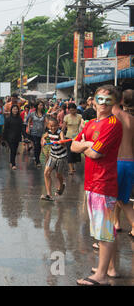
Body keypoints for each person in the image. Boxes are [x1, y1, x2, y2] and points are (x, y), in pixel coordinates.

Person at [72, 85, 123, 286]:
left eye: (107, 100)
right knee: (102, 230)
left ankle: (101, 274)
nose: (102, 104)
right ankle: (109, 268)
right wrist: (86, 145)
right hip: (92, 182)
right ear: (93, 100)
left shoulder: (112, 124)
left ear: (115, 103)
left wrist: (85, 145)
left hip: (104, 183)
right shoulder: (91, 123)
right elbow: (75, 146)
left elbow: (95, 153)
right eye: (99, 99)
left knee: (104, 232)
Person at [112, 89, 134, 238]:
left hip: (116, 161)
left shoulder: (112, 117)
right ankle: (115, 224)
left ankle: (108, 234)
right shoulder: (131, 118)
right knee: (122, 197)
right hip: (130, 161)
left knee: (114, 198)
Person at [40, 117, 67, 201]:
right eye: (51, 126)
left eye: (55, 126)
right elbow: (45, 138)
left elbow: (64, 143)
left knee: (58, 175)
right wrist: (44, 141)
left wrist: (61, 142)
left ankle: (62, 186)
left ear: (58, 125)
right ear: (48, 126)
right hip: (52, 155)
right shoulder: (48, 132)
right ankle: (49, 195)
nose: (53, 128)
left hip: (61, 157)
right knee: (46, 173)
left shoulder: (60, 132)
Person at [63, 103, 82, 174]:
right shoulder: (66, 117)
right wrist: (61, 136)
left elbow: (82, 126)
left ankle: (74, 166)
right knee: (69, 152)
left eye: (73, 110)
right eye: (70, 110)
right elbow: (63, 127)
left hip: (77, 137)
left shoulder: (80, 116)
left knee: (76, 152)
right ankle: (71, 169)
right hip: (69, 137)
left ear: (76, 110)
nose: (72, 112)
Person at [27, 101, 46, 168]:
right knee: (36, 145)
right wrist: (28, 128)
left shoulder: (44, 114)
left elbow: (45, 122)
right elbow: (29, 121)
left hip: (41, 132)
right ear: (37, 106)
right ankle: (37, 161)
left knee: (39, 146)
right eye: (40, 105)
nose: (41, 106)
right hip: (34, 132)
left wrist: (45, 129)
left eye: (42, 105)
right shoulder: (32, 114)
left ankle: (36, 158)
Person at [3, 104, 23, 170]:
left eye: (16, 109)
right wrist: (4, 138)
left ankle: (11, 161)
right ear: (11, 110)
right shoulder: (8, 119)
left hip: (17, 136)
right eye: (14, 109)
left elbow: (21, 128)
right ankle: (13, 164)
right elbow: (5, 129)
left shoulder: (19, 119)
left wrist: (24, 136)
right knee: (13, 150)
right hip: (10, 137)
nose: (15, 110)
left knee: (14, 150)